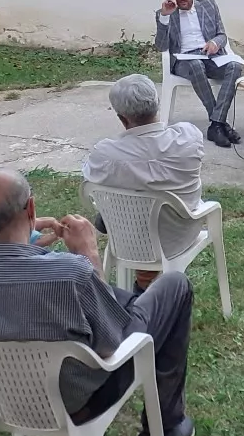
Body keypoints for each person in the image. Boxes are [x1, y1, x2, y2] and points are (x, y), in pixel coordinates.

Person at [0, 170, 196, 436]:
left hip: (2, 393)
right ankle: (165, 429)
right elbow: (112, 342)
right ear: (31, 208)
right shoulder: (72, 273)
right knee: (175, 286)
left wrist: (23, 243)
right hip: (80, 399)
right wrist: (89, 254)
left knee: (125, 301)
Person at [83, 74, 206, 292]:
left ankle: (144, 281)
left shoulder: (106, 154)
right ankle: (145, 283)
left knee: (115, 207)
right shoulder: (189, 136)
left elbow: (91, 179)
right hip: (180, 232)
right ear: (157, 104)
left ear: (122, 119)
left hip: (129, 235)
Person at [155, 0, 243, 148]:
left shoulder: (209, 5)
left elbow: (222, 34)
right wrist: (164, 17)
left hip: (210, 56)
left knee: (235, 66)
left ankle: (216, 124)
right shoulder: (165, 13)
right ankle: (219, 122)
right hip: (184, 61)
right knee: (195, 65)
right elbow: (161, 46)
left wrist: (214, 43)